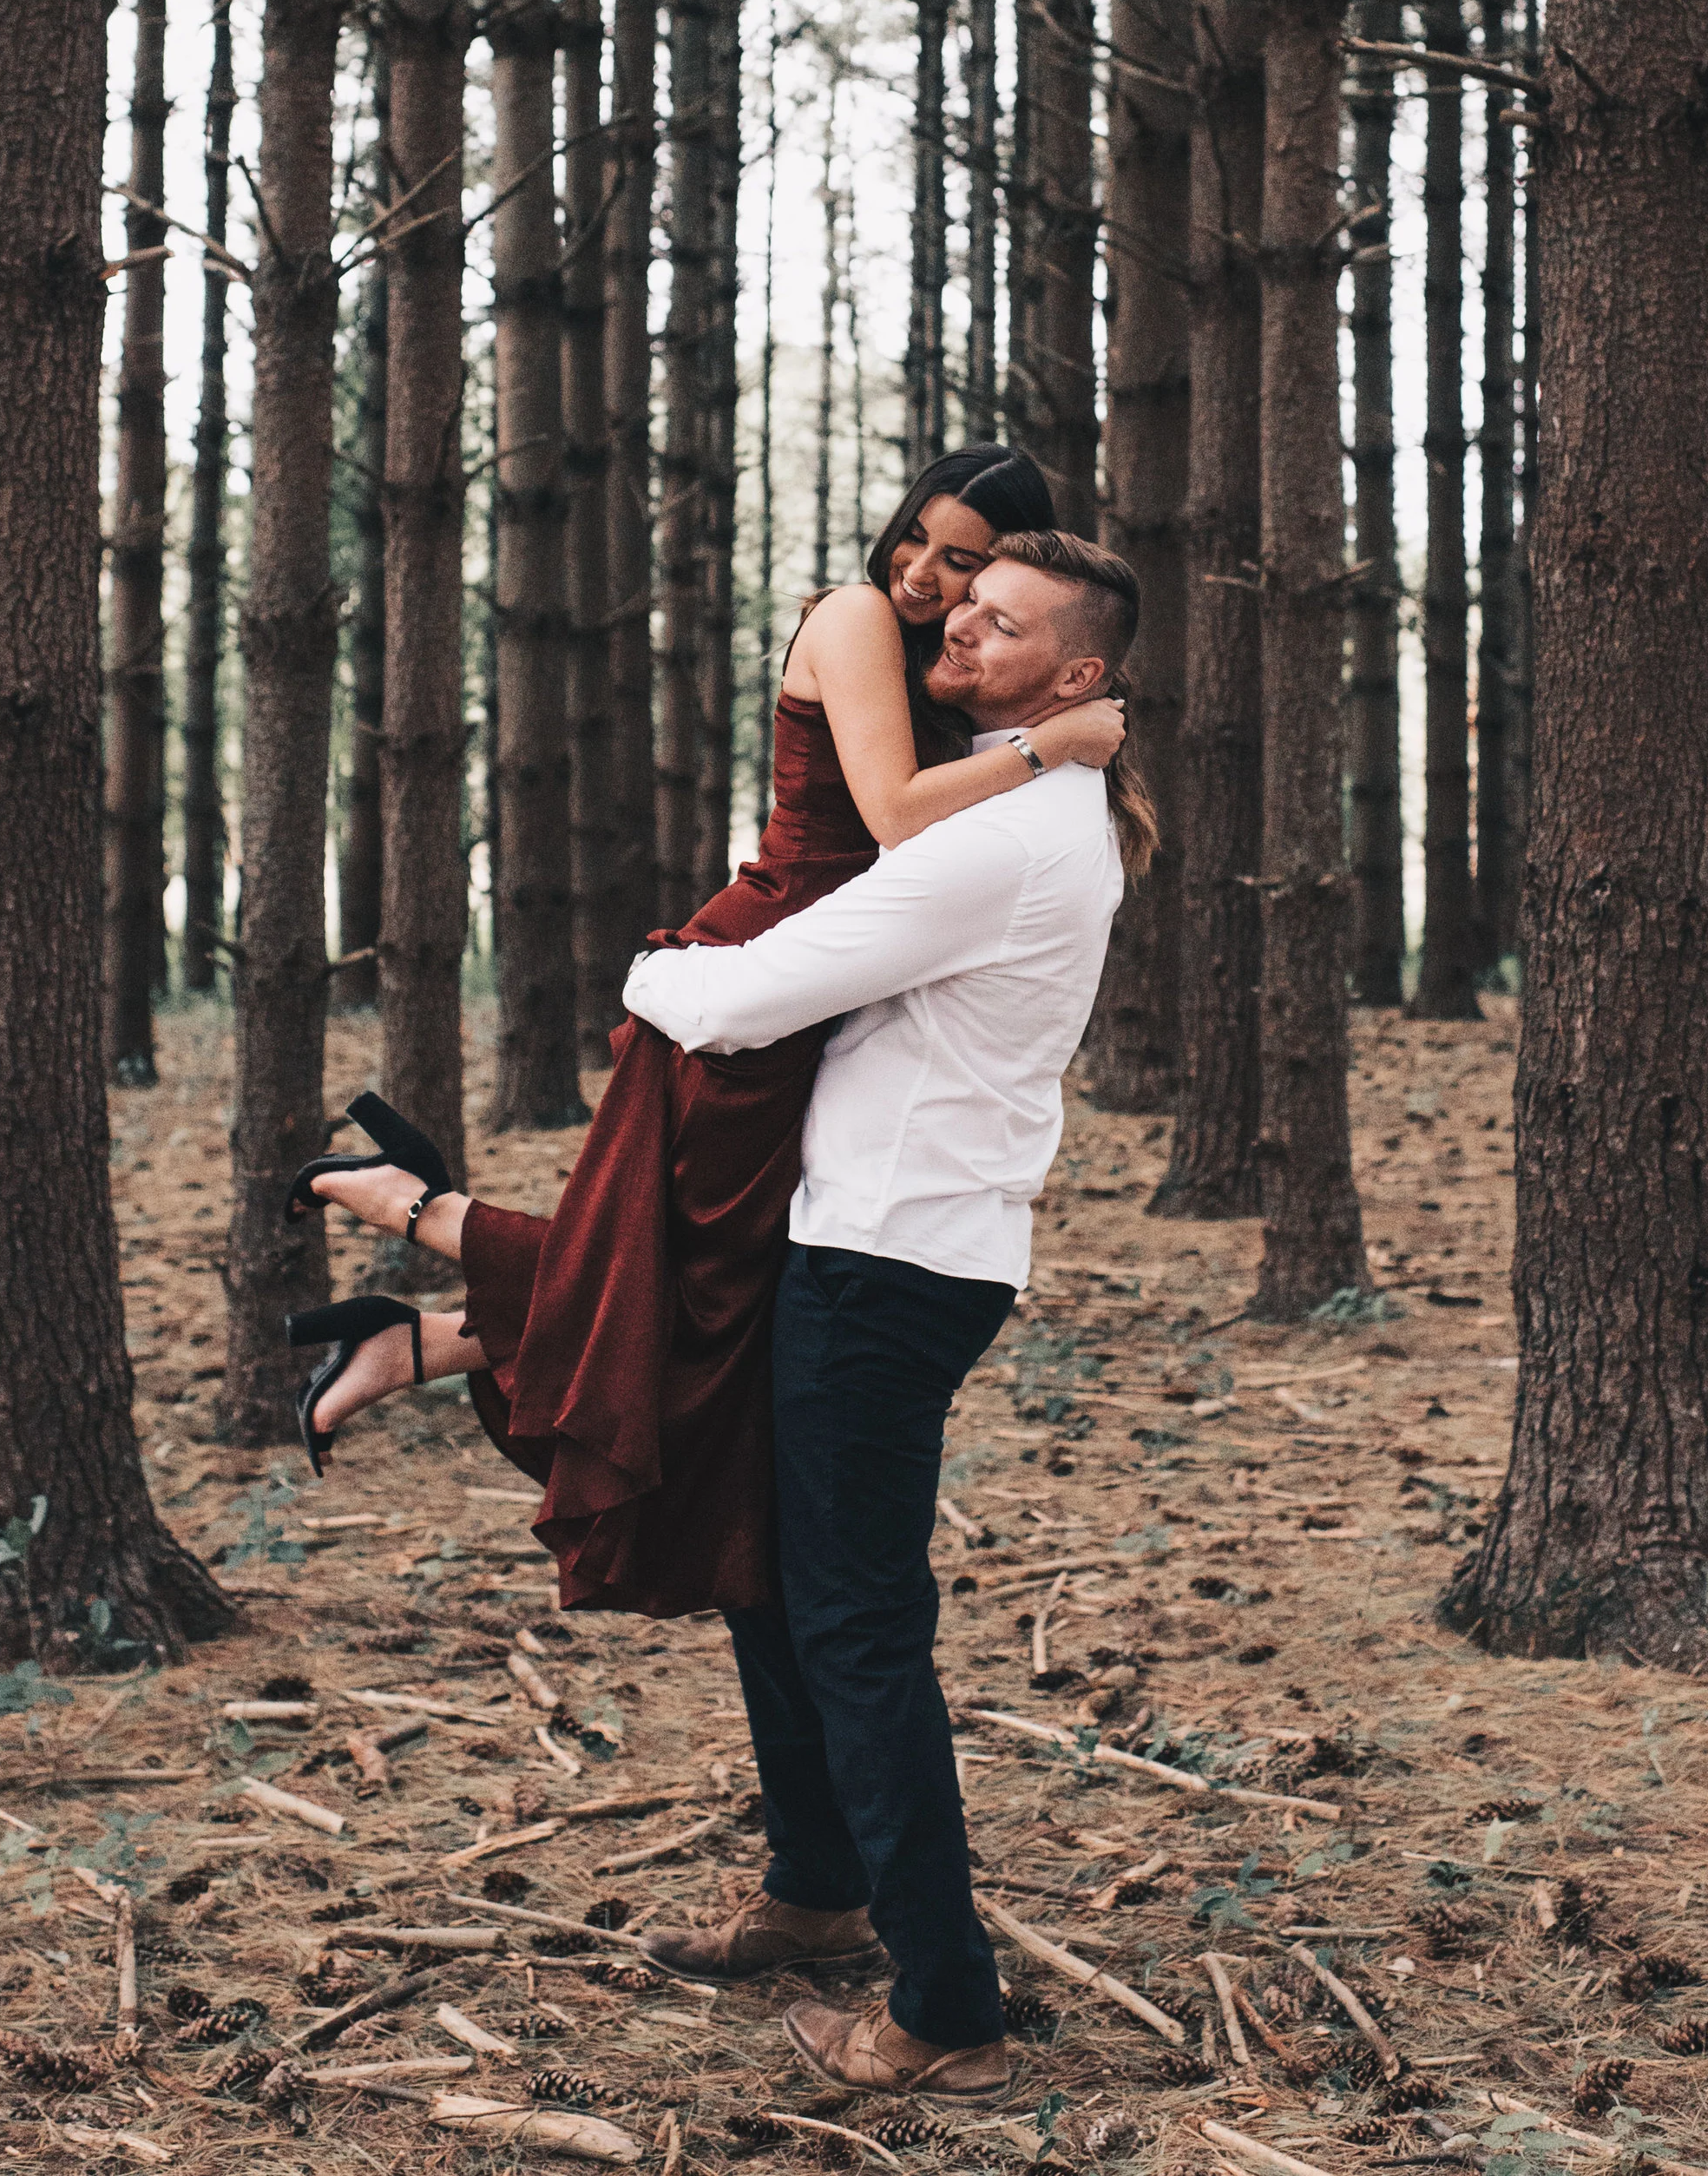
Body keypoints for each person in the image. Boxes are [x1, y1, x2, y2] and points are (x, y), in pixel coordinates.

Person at [302, 528, 1153, 2109]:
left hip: (887, 1268)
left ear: (1080, 676)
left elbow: (737, 998)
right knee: (780, 1584)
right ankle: (818, 1887)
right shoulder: (1034, 811)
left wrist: (654, 962)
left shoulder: (1007, 837)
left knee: (852, 1622)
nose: (962, 620)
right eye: (962, 600)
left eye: (1006, 618)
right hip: (880, 1246)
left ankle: (947, 2009)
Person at [284, 448, 1123, 1622]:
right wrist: (1057, 742)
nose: (927, 576)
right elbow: (887, 816)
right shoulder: (854, 618)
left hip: (828, 979)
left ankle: (426, 1332)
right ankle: (413, 1223)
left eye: (968, 566)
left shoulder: (945, 674)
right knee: (704, 1268)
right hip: (765, 965)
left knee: (712, 1273)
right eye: (920, 542)